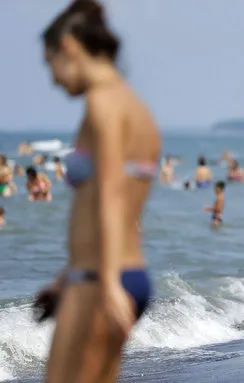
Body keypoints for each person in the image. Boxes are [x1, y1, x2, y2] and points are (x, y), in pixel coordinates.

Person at [32, 2, 160, 381]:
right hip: (125, 272)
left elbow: (110, 194)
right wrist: (64, 277)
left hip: (99, 279)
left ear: (69, 47)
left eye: (50, 63)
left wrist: (103, 283)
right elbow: (122, 208)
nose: (54, 79)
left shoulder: (101, 103)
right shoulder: (139, 110)